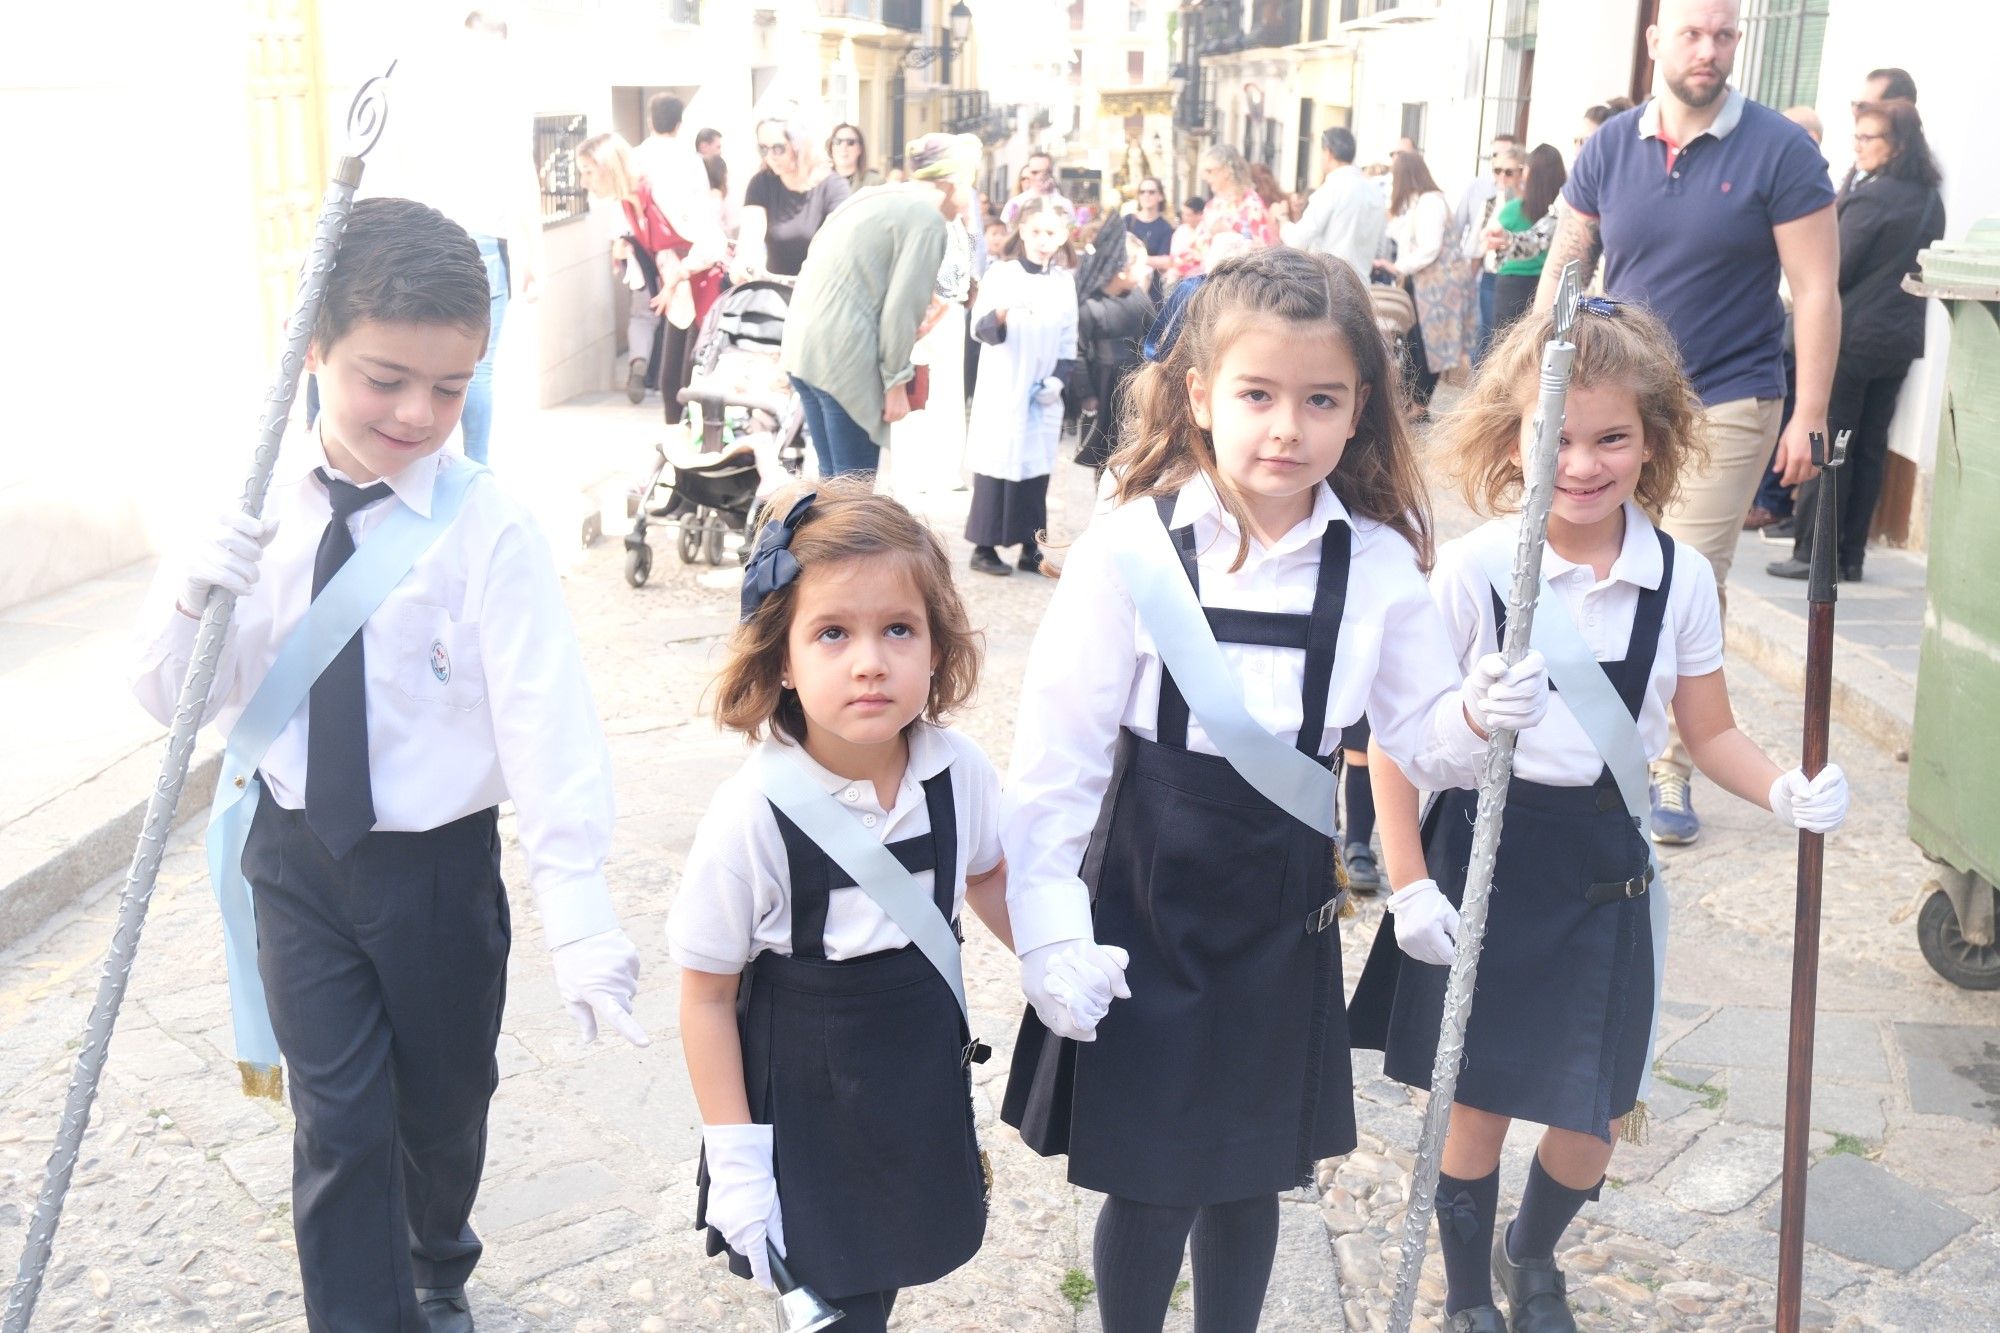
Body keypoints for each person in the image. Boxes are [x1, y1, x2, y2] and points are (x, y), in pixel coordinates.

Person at [997, 247, 1550, 1332]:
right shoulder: (1130, 553)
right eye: (1256, 395)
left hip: (1275, 903)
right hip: (1145, 894)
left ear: (1359, 413)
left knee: (1251, 1177)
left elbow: (1417, 742)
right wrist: (1050, 927)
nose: (1285, 428)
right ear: (1201, 395)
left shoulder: (1381, 568)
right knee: (1153, 1179)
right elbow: (1054, 759)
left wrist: (1479, 712)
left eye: (1319, 400)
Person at [131, 199, 646, 1332]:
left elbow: (547, 729)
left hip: (436, 874)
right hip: (297, 858)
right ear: (312, 346)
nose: (417, 413)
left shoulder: (488, 527)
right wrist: (187, 592)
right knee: (340, 1123)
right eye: (383, 379)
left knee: (444, 1106)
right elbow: (177, 706)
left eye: (450, 387)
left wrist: (581, 911)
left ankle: (436, 1252)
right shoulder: (251, 508)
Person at [1351, 301, 1849, 1333]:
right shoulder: (1476, 571)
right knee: (1476, 1104)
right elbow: (1394, 746)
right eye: (1553, 437)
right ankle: (1464, 1294)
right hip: (1487, 858)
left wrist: (1781, 789)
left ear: (1653, 443)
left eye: (1609, 437)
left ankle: (1530, 1250)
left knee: (1592, 1118)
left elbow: (1707, 733)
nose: (1579, 462)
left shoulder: (1673, 579)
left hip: (1599, 868)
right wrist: (1405, 883)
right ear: (1509, 440)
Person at [671, 477, 1012, 1333]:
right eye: (833, 633)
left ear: (936, 645)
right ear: (782, 656)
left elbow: (991, 876)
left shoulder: (955, 772)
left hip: (912, 1073)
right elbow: (706, 991)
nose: (870, 660)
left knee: (880, 1278)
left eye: (899, 628)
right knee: (836, 1301)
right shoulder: (752, 814)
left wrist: (1056, 956)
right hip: (805, 1095)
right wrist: (736, 1151)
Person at [1539, 0, 1839, 846]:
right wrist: (1537, 376)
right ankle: (1581, 727)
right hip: (1616, 400)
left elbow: (1815, 287)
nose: (1709, 51)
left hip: (1729, 397)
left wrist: (1808, 411)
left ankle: (1669, 764)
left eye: (1724, 35)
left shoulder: (1780, 149)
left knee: (1683, 576)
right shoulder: (1608, 145)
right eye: (1692, 34)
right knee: (1591, 558)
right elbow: (1568, 260)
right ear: (1655, 43)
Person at [1768, 99, 1943, 584]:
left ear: (1899, 145)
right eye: (1858, 137)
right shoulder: (1930, 197)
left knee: (1830, 444)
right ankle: (1850, 557)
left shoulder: (1874, 197)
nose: (1859, 147)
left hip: (1854, 338)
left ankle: (1812, 553)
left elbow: (1833, 269)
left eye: (1869, 138)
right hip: (1899, 340)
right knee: (1869, 449)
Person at [781, 133, 976, 477]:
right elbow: (901, 310)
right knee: (854, 498)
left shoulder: (876, 195)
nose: (970, 198)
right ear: (952, 181)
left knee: (832, 487)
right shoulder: (927, 220)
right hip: (844, 358)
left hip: (802, 348)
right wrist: (896, 383)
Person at [964, 196, 1078, 575]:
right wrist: (1001, 312)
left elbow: (1068, 340)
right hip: (1004, 384)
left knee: (1036, 469)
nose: (1043, 240)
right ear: (1022, 232)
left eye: (1051, 233)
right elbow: (978, 330)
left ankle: (1032, 547)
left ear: (1063, 236)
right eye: (1036, 232)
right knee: (998, 464)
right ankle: (984, 546)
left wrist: (1057, 381)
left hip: (1041, 389)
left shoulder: (1064, 282)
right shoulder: (1003, 274)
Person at [578, 131, 723, 412]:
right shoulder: (627, 202)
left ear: (609, 167)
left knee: (689, 391)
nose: (584, 182)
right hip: (682, 300)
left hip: (708, 295)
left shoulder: (659, 191)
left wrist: (678, 276)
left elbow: (712, 241)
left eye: (588, 172)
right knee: (672, 387)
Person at [1376, 150, 1469, 408]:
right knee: (1419, 343)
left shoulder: (1430, 203)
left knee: (1426, 345)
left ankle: (1420, 404)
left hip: (1435, 285)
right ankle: (1416, 403)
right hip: (1429, 283)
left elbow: (1429, 248)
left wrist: (1398, 268)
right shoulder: (1423, 202)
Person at [1071, 216, 1156, 475]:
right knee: (1106, 448)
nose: (1146, 272)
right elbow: (1078, 351)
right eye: (1140, 266)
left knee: (1134, 444)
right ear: (1121, 269)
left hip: (1136, 379)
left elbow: (1155, 333)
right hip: (1105, 383)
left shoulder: (1138, 297)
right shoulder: (1091, 306)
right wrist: (1087, 395)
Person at [740, 112, 852, 278]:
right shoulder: (761, 183)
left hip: (821, 289)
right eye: (763, 149)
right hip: (775, 292)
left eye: (778, 148)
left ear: (801, 146)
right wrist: (745, 262)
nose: (770, 157)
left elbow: (841, 245)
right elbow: (751, 236)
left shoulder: (834, 187)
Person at [1285, 127, 1389, 286]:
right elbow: (1382, 248)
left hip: (1332, 289)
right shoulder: (1376, 192)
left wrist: (1282, 221)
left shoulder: (1331, 189)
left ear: (1328, 153)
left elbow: (1297, 240)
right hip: (1364, 289)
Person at [1485, 143, 1567, 334]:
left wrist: (1506, 240)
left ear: (1528, 173)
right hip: (1548, 284)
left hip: (1512, 284)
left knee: (1506, 348)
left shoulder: (1513, 208)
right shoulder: (1563, 210)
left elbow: (1490, 241)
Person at [1170, 144, 1279, 279]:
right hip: (1210, 280)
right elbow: (1199, 247)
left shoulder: (1251, 205)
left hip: (1239, 283)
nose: (1205, 177)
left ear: (1227, 170)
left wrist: (1229, 232)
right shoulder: (1213, 205)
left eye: (1210, 171)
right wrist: (1176, 265)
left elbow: (1264, 250)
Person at [1463, 145, 1524, 359]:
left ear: (1521, 173)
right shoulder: (1490, 204)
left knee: (1509, 340)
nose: (1502, 177)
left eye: (1508, 172)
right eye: (1497, 171)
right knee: (1485, 336)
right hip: (1490, 278)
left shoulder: (1528, 206)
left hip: (1519, 279)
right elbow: (1476, 249)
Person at [1125, 176, 1176, 298]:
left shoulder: (1166, 227)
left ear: (1160, 196)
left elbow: (1166, 261)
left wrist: (1137, 258)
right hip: (1126, 288)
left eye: (1151, 192)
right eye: (1142, 192)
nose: (1146, 195)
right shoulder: (1127, 220)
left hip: (1152, 293)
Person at [1002, 151, 1073, 226]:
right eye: (1034, 172)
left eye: (1045, 172)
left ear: (1051, 172)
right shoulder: (1015, 203)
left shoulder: (1065, 204)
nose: (1039, 177)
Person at [828, 121, 885, 192]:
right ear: (831, 147)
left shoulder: (875, 183)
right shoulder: (819, 183)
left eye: (850, 142)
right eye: (838, 141)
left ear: (860, 149)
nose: (843, 147)